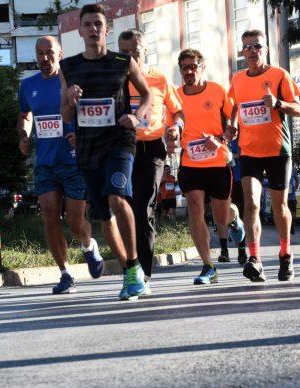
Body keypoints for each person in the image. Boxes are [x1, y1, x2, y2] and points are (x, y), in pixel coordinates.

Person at [59, 4, 152, 300]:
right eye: (88, 24)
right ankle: (130, 271)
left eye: (98, 24)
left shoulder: (122, 61)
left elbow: (147, 93)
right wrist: (69, 99)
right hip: (88, 148)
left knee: (117, 196)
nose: (93, 29)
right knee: (103, 216)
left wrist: (137, 116)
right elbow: (64, 115)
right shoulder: (68, 66)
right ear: (80, 31)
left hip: (119, 141)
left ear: (106, 30)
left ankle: (134, 266)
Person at [18, 35, 104, 294]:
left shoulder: (72, 82)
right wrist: (24, 136)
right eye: (40, 53)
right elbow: (25, 115)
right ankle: (66, 275)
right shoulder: (27, 85)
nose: (45, 58)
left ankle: (88, 246)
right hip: (45, 163)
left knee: (76, 221)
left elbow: (92, 112)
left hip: (73, 161)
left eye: (50, 52)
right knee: (50, 217)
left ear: (60, 54)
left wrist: (80, 135)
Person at [226, 29, 300, 282]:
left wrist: (278, 103)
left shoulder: (279, 75)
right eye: (247, 47)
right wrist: (232, 125)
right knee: (251, 203)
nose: (252, 51)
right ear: (242, 51)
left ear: (265, 50)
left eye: (257, 46)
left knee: (279, 206)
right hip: (249, 151)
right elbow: (234, 106)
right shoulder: (237, 79)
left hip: (278, 151)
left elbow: (298, 109)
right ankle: (255, 259)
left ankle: (285, 254)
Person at [118, 29, 184, 294]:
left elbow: (178, 111)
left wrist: (176, 127)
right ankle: (130, 269)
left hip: (152, 149)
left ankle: (143, 275)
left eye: (135, 51)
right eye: (124, 52)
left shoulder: (159, 78)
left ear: (145, 50)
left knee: (143, 208)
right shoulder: (115, 79)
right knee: (123, 209)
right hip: (121, 149)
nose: (130, 57)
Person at [174, 48, 246, 284]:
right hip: (190, 162)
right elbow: (172, 122)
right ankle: (208, 266)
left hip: (218, 161)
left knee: (220, 218)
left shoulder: (216, 90)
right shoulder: (176, 96)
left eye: (193, 66)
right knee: (195, 209)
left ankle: (234, 220)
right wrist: (171, 135)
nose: (189, 71)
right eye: (184, 68)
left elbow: (233, 118)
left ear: (202, 67)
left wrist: (223, 137)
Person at [288, 167, 300, 235]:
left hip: (291, 196)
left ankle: (291, 225)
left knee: (293, 213)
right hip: (282, 195)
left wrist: (296, 187)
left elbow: (297, 179)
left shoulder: (292, 169)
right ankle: (287, 226)